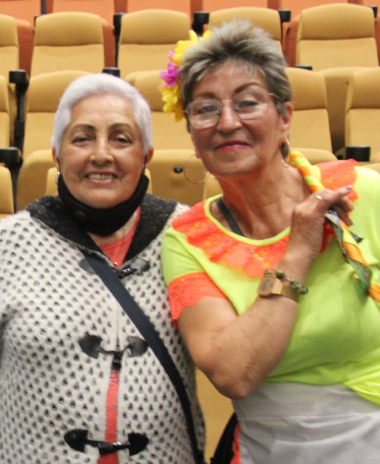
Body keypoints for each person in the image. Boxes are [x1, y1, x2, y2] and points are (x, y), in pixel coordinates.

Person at [160, 21, 380, 463]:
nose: (227, 122)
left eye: (247, 103)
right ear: (193, 137)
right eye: (205, 109)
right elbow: (234, 374)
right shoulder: (188, 239)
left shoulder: (361, 192)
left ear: (285, 118)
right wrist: (297, 252)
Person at [0, 73, 205, 464]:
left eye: (121, 139)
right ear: (57, 154)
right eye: (82, 138)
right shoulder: (5, 246)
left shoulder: (188, 238)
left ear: (146, 155)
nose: (101, 154)